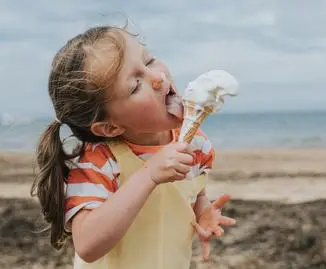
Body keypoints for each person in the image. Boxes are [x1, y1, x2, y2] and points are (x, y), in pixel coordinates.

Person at [31, 25, 236, 268]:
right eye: (135, 85)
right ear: (110, 127)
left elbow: (193, 193)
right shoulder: (100, 161)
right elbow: (87, 245)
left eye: (148, 61)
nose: (158, 78)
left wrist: (202, 213)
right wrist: (149, 175)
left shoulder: (196, 143)